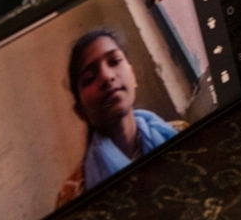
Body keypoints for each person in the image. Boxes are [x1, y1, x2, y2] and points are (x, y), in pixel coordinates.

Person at [55, 28, 182, 206]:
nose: (107, 77)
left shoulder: (180, 135)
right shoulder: (72, 195)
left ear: (133, 75)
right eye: (90, 78)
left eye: (114, 61)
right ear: (81, 111)